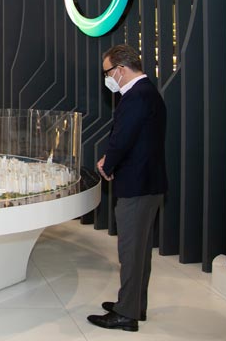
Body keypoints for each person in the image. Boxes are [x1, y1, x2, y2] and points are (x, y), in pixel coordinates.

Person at [87, 44, 167, 333]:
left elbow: (122, 139)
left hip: (137, 185)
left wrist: (108, 164)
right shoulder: (149, 92)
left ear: (120, 69)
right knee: (140, 250)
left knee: (131, 252)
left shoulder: (135, 96)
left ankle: (125, 315)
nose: (107, 78)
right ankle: (134, 305)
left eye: (107, 72)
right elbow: (138, 140)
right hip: (149, 183)